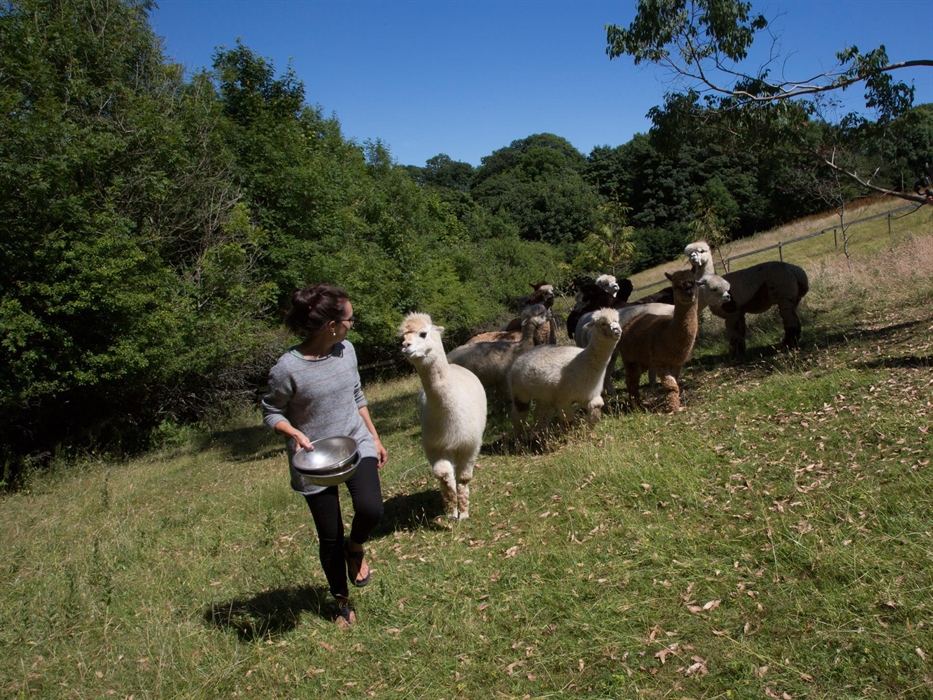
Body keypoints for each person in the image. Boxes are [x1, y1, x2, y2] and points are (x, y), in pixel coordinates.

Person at [261, 284, 387, 628]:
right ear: (332, 325)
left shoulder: (347, 350)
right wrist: (293, 433)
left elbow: (357, 395)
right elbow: (271, 411)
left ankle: (355, 546)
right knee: (329, 536)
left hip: (355, 441)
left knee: (371, 509)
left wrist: (374, 437)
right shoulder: (287, 368)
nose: (352, 324)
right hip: (314, 458)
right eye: (350, 319)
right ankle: (341, 602)